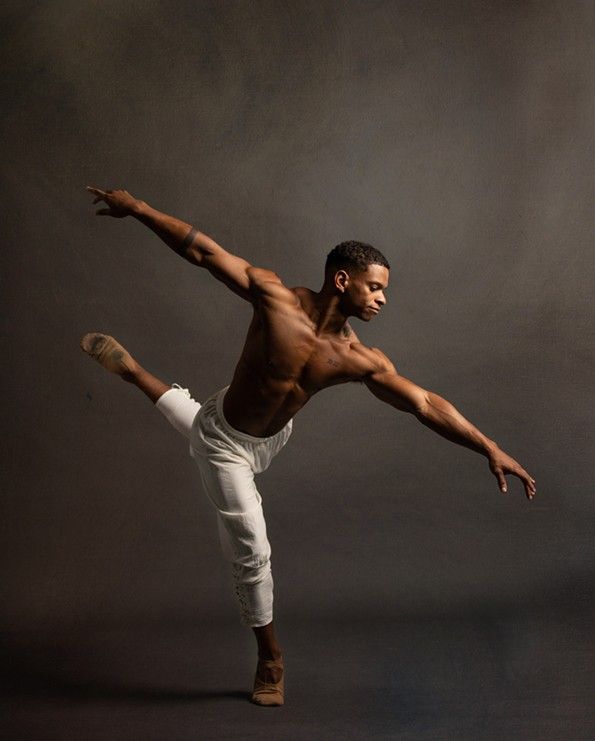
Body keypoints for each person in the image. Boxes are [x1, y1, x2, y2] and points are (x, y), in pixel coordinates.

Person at [81, 186, 537, 706]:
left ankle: (138, 374)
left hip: (274, 436)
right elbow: (202, 250)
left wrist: (488, 445)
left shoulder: (359, 358)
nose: (383, 299)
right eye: (375, 287)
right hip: (227, 440)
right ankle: (270, 660)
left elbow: (425, 404)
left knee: (199, 429)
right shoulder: (274, 298)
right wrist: (137, 208)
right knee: (249, 544)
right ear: (342, 280)